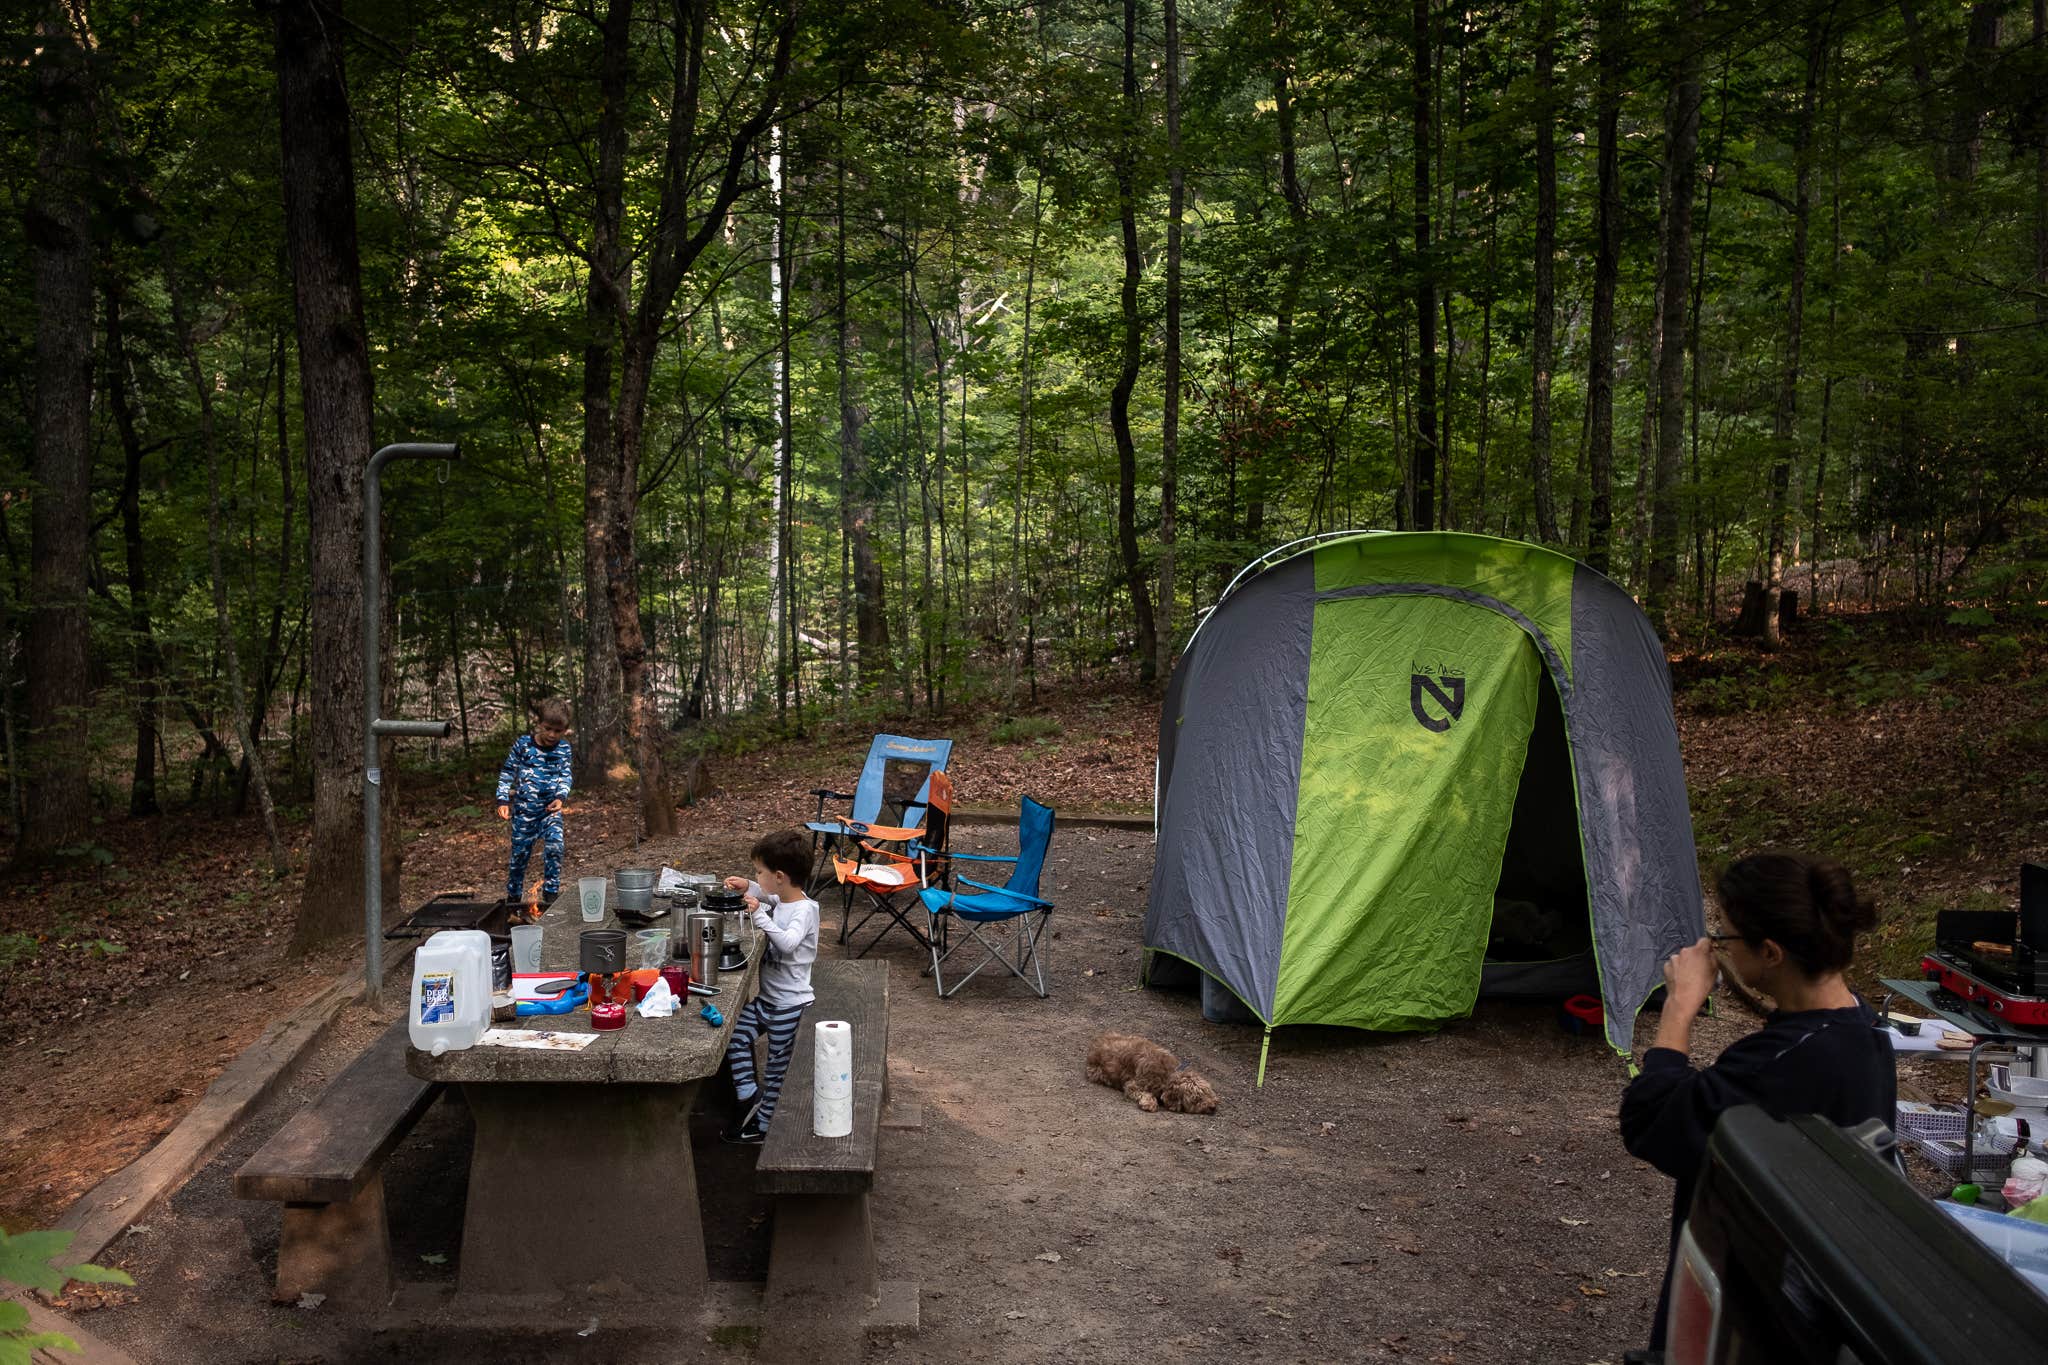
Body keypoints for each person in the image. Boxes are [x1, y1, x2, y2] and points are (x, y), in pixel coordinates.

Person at [1619, 852, 1895, 1360]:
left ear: (1770, 953)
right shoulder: (1863, 1030)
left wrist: (1679, 1007)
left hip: (1755, 1316)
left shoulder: (1789, 1059)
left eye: (1724, 937)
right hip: (1801, 1303)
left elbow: (1652, 1121)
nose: (1715, 948)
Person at [720, 828, 821, 1145]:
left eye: (758, 872)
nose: (756, 877)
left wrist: (761, 916)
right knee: (733, 1036)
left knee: (777, 1069)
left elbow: (789, 943)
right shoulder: (782, 896)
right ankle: (749, 1093)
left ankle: (762, 1128)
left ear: (779, 876)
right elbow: (767, 894)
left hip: (790, 1007)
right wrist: (746, 885)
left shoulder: (805, 910)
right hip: (767, 1003)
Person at [495, 698, 573, 904]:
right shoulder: (523, 745)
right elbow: (508, 771)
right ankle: (513, 897)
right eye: (548, 729)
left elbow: (566, 775)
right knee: (519, 856)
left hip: (550, 811)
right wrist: (502, 799)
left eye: (558, 731)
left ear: (565, 730)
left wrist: (560, 797)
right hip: (524, 813)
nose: (552, 735)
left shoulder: (564, 749)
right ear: (539, 724)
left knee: (555, 847)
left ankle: (550, 894)